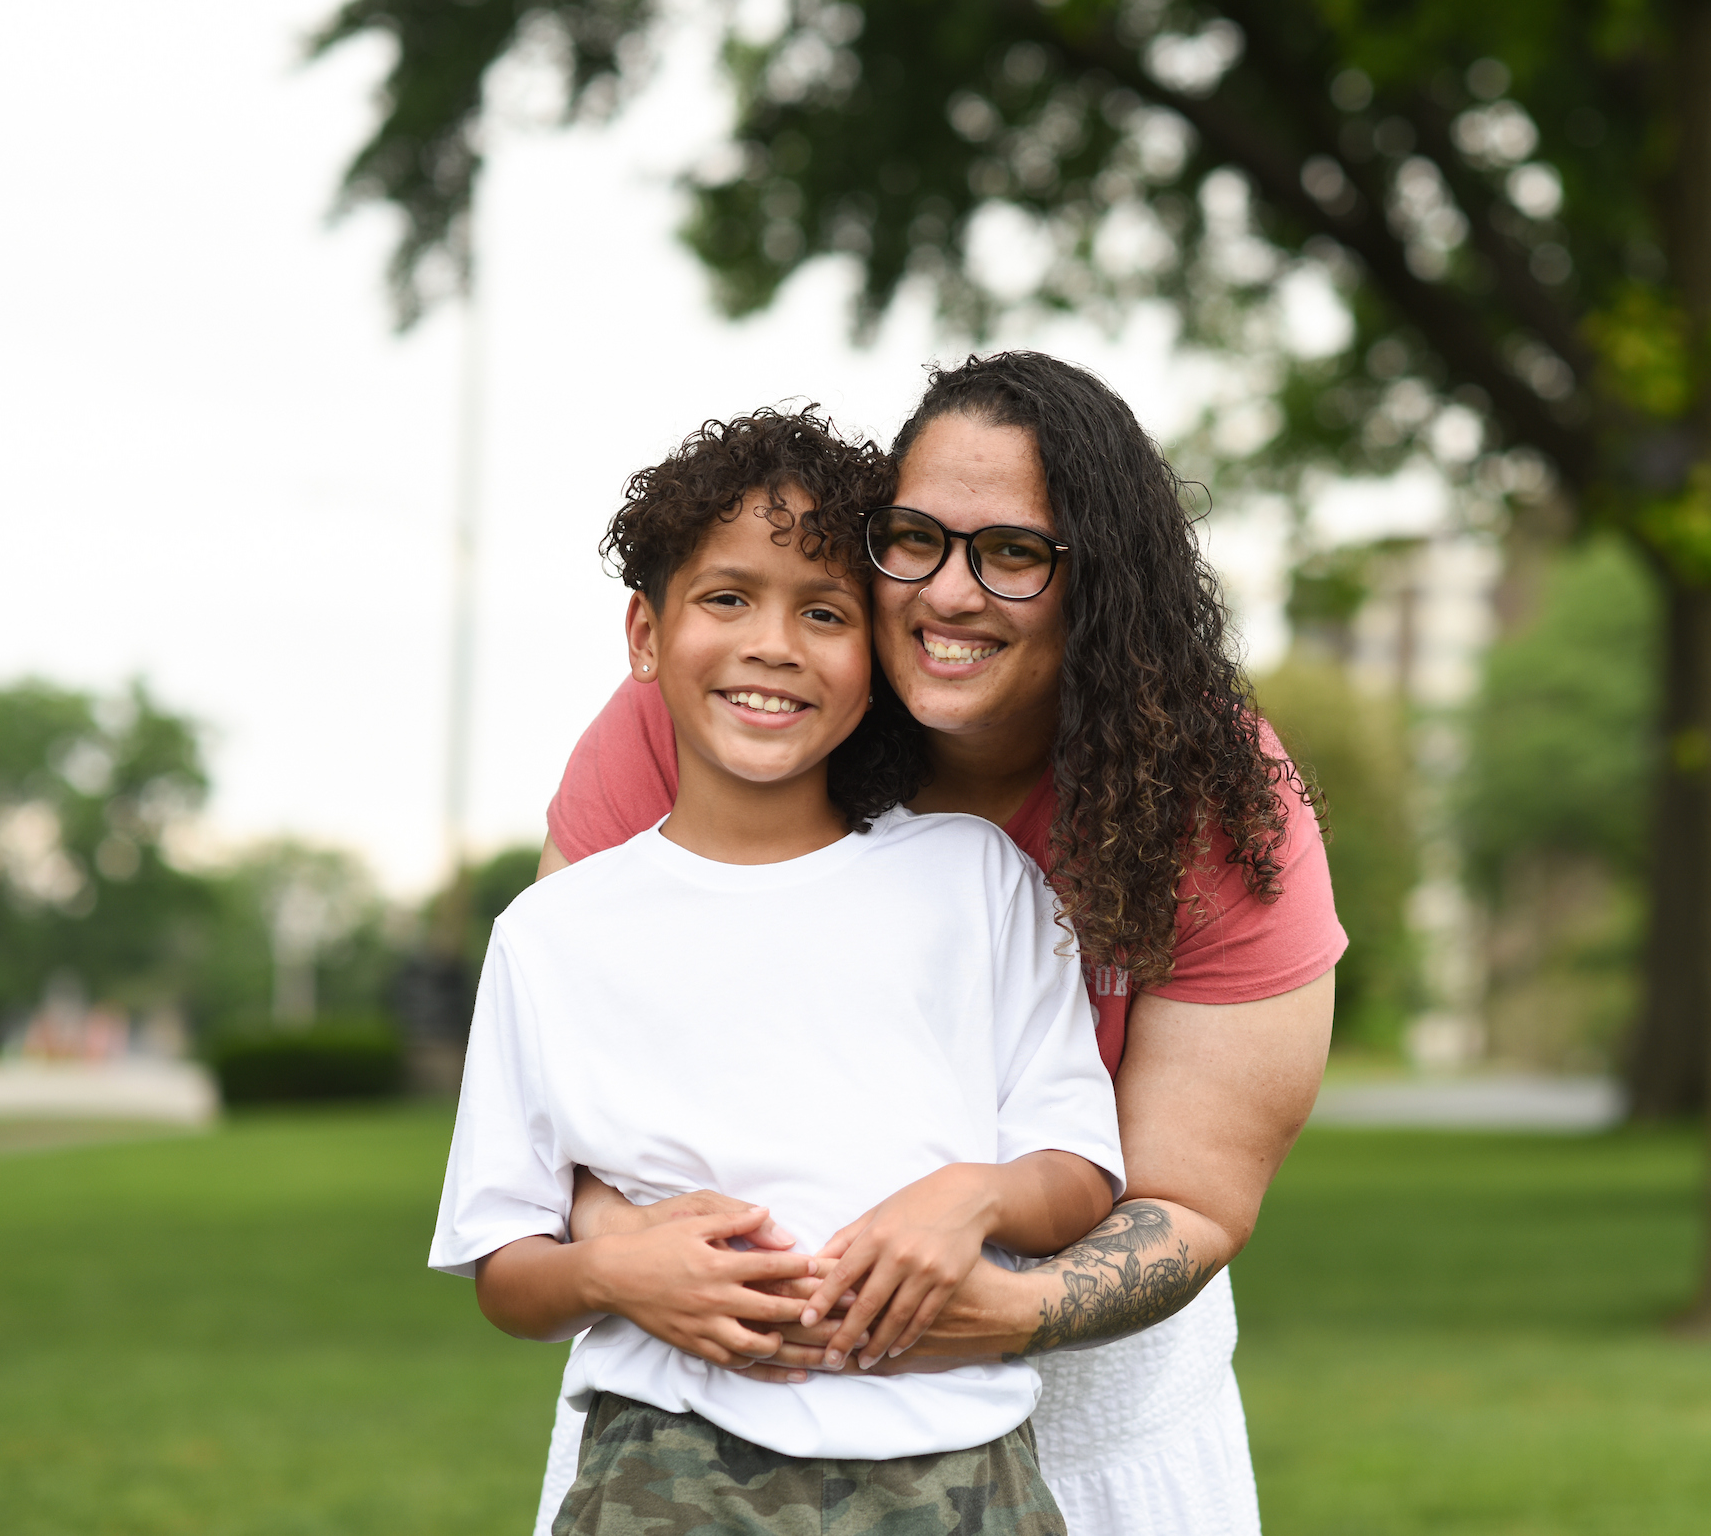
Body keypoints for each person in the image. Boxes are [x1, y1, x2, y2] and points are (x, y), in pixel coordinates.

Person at [533, 353, 1346, 1536]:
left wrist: (996, 1312)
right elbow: (556, 1070)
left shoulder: (1213, 798)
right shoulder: (718, 716)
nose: (949, 593)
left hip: (1089, 1422)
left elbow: (1193, 1198)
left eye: (1013, 553)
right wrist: (628, 1249)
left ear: (1102, 584)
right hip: (692, 1414)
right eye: (914, 539)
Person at [432, 410, 1124, 1536]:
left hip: (957, 1468)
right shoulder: (551, 935)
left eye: (825, 613)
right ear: (645, 635)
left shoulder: (975, 880)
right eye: (727, 598)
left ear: (878, 658)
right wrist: (616, 1275)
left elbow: (1079, 1171)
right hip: (667, 1472)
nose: (774, 645)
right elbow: (506, 1267)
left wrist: (975, 1195)